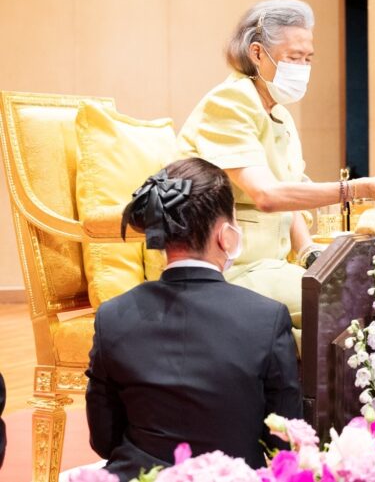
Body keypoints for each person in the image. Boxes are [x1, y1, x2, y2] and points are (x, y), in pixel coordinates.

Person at [179, 0, 375, 325]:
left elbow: (289, 195)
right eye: (293, 58)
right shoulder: (230, 102)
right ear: (258, 53)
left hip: (270, 264)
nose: (302, 67)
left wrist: (308, 252)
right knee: (350, 303)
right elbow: (267, 195)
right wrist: (356, 188)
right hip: (230, 265)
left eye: (307, 59)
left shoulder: (278, 113)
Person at [85, 158, 302, 480]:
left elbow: (104, 439)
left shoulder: (112, 316)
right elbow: (282, 439)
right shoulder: (266, 318)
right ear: (225, 234)